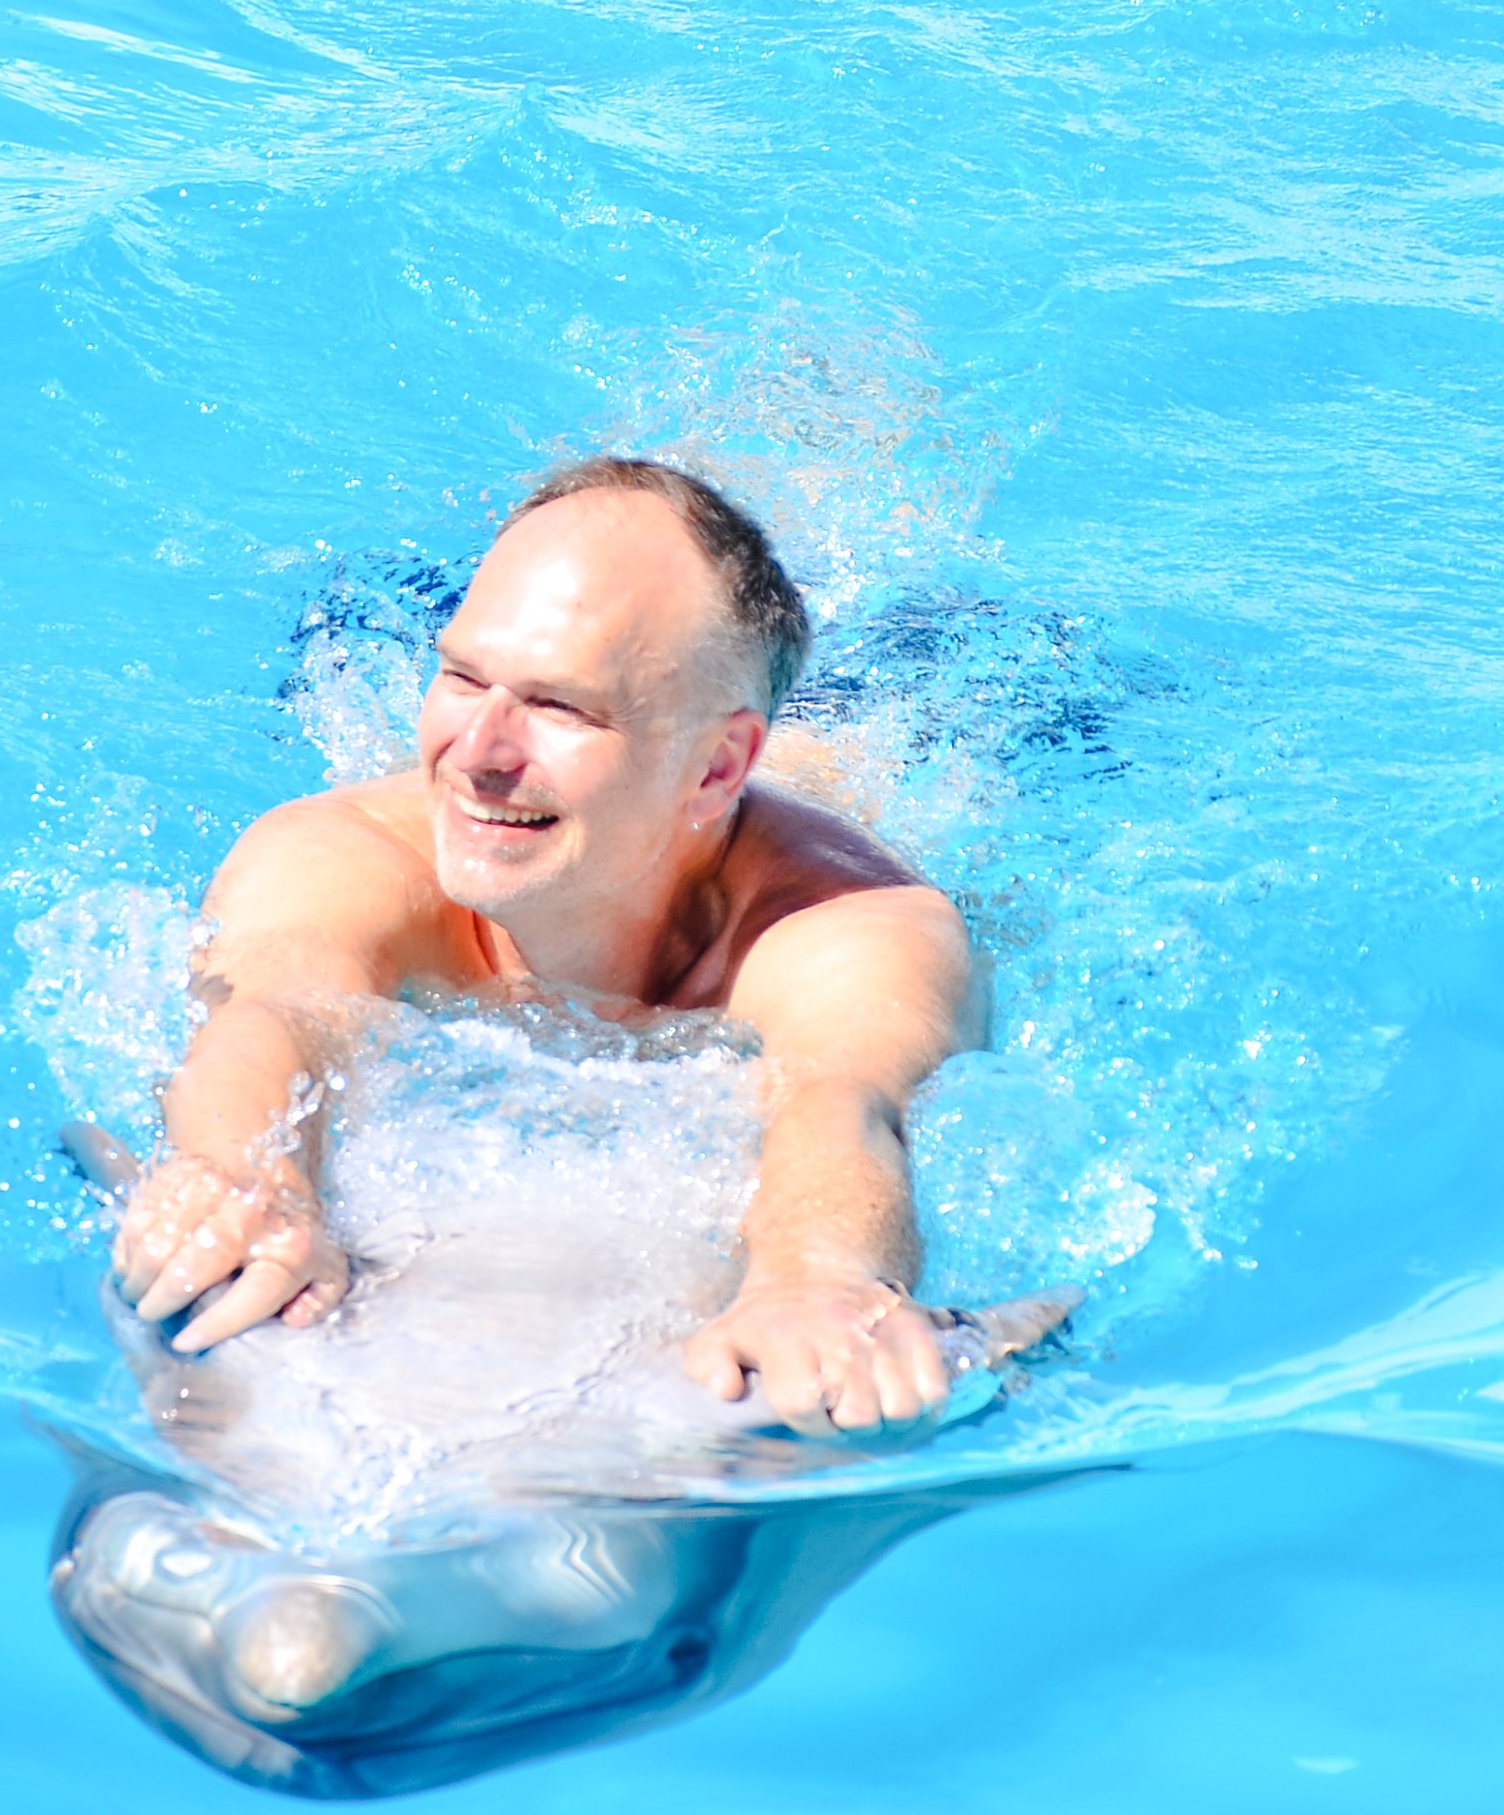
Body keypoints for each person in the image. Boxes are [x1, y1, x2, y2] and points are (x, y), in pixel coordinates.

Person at [110, 456, 990, 1436]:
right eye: (460, 676)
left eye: (561, 706)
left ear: (719, 765)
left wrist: (817, 1274)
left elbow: (843, 1102)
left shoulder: (849, 922)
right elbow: (277, 1010)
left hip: (873, 726)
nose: (477, 755)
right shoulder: (336, 851)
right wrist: (239, 1173)